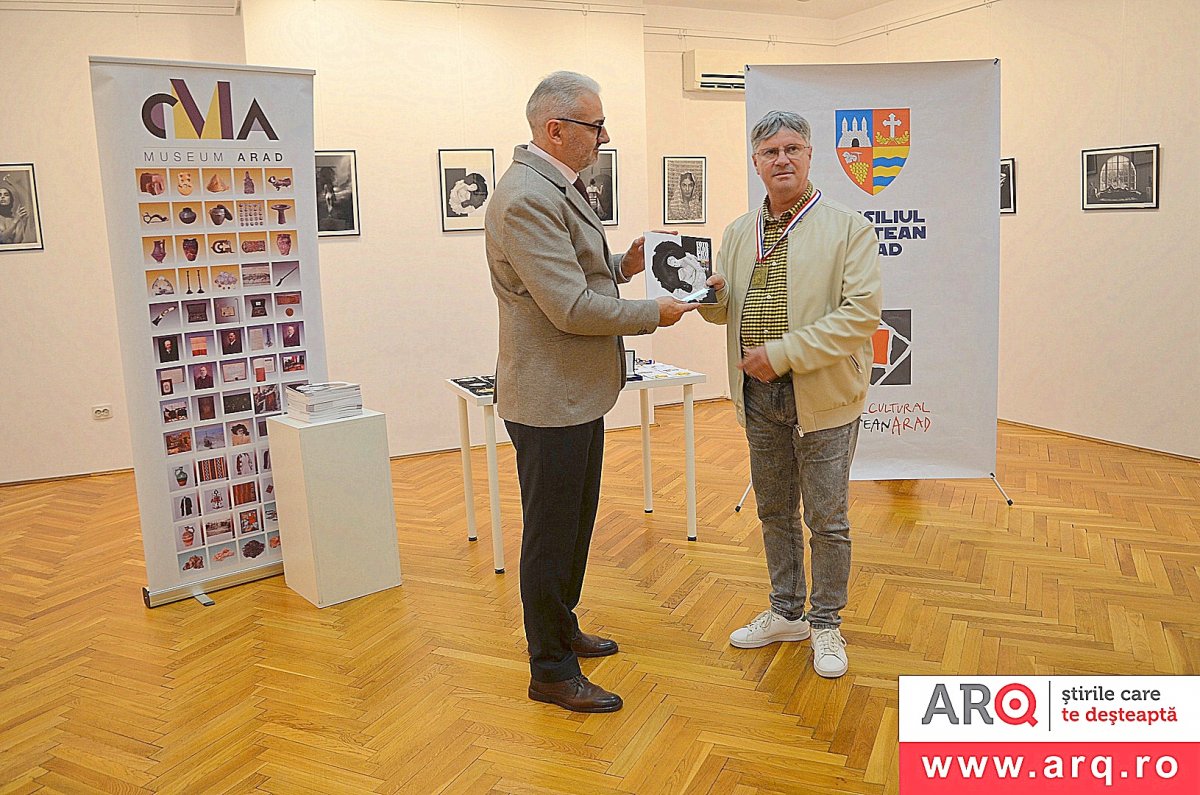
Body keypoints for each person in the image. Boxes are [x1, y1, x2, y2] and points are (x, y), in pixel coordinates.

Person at [486, 70, 698, 713]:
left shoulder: (555, 185)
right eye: (595, 125)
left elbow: (577, 272)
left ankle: (562, 626)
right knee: (550, 536)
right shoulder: (526, 197)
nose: (604, 137)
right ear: (556, 129)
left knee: (574, 526)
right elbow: (571, 307)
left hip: (576, 392)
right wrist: (653, 312)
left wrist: (623, 266)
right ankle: (550, 669)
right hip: (550, 399)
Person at [700, 110, 881, 679]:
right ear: (755, 162)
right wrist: (705, 296)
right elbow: (724, 314)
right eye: (770, 152)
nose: (782, 159)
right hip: (758, 397)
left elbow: (860, 316)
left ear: (809, 156)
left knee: (827, 519)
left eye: (792, 149)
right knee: (774, 510)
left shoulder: (848, 228)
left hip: (822, 395)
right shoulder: (738, 233)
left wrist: (781, 354)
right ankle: (786, 612)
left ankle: (826, 623)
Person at [0, 178, 34, 245]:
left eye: (6, 195)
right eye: (0, 195)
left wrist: (24, 223)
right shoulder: (16, 219)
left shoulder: (15, 218)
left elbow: (17, 242)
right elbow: (1, 239)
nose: (2, 197)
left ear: (11, 199)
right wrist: (15, 221)